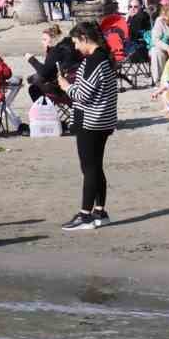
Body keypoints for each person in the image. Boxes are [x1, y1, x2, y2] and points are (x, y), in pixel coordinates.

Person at [63, 23, 117, 231]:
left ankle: (85, 214)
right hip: (103, 120)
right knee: (96, 167)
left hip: (91, 121)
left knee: (89, 168)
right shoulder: (104, 57)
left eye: (76, 42)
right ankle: (100, 211)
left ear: (85, 38)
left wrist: (67, 86)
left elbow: (82, 94)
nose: (76, 47)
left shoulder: (93, 60)